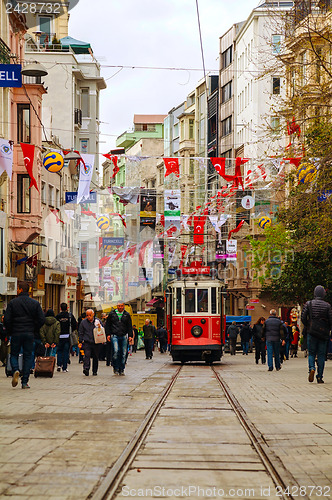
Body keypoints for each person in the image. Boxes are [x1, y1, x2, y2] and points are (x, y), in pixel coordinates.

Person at [4, 281, 45, 389]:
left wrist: (10, 330)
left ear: (21, 289)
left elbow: (7, 319)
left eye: (18, 288)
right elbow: (41, 319)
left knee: (14, 354)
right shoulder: (35, 303)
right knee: (28, 356)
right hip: (29, 333)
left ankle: (16, 369)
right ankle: (24, 381)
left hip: (16, 332)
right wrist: (34, 329)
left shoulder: (13, 303)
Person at [301, 285, 332, 383]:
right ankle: (320, 377)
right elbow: (331, 320)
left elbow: (303, 317)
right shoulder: (327, 305)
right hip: (323, 333)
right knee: (322, 355)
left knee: (311, 353)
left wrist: (308, 325)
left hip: (312, 332)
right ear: (323, 294)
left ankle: (311, 368)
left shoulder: (309, 304)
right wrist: (328, 328)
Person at [105, 301, 132, 375]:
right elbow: (108, 325)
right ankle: (116, 367)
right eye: (119, 306)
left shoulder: (127, 315)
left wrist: (130, 336)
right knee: (116, 351)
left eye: (121, 306)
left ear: (124, 306)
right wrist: (108, 334)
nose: (120, 307)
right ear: (117, 306)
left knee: (124, 353)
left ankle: (121, 368)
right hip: (114, 335)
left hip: (123, 335)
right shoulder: (112, 314)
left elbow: (129, 326)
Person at [79, 309, 101, 376]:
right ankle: (86, 369)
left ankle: (94, 371)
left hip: (96, 342)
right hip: (87, 342)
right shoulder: (83, 322)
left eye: (90, 315)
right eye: (87, 315)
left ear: (93, 314)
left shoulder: (97, 321)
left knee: (95, 357)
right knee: (87, 356)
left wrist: (100, 326)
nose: (88, 317)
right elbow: (81, 332)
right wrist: (80, 341)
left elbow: (102, 330)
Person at [56, 303, 77, 373]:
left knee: (59, 351)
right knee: (66, 352)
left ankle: (59, 365)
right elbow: (75, 324)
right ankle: (64, 368)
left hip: (59, 336)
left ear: (60, 308)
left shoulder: (58, 316)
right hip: (67, 336)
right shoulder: (70, 316)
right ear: (67, 308)